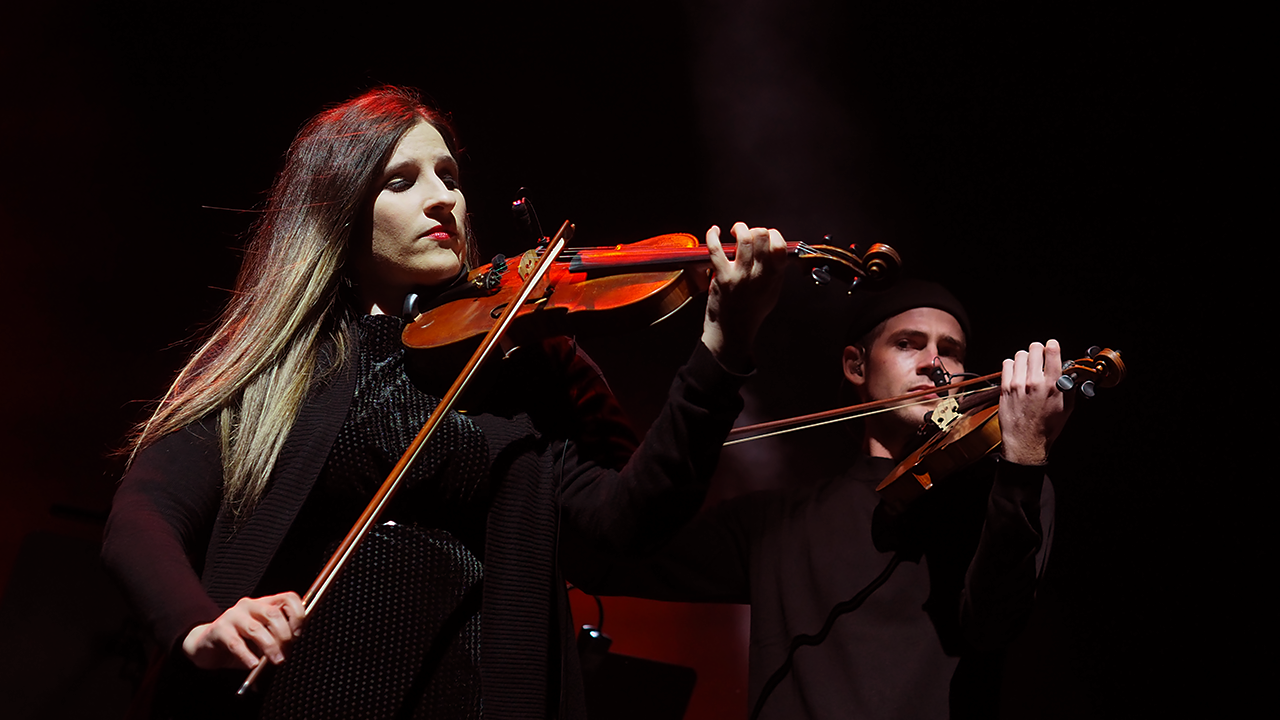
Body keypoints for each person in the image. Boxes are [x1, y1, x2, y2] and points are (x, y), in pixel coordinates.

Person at [101, 85, 788, 719]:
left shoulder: (520, 365)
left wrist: (721, 352)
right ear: (338, 207)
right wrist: (199, 625)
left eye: (451, 178)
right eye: (403, 181)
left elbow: (627, 521)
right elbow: (145, 512)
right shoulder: (279, 364)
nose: (444, 201)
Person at [571, 279, 1066, 719]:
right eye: (907, 343)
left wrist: (1024, 459)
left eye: (951, 350)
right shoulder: (774, 525)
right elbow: (607, 558)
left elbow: (994, 625)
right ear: (855, 366)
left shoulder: (999, 498)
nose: (934, 363)